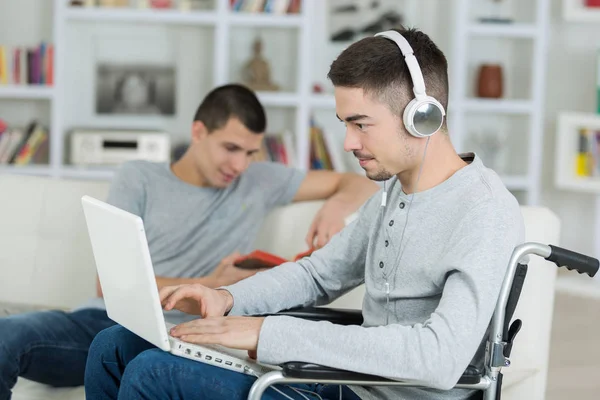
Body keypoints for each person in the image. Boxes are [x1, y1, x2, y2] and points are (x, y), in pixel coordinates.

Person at [84, 28, 525, 400]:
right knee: (113, 347)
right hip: (345, 382)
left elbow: (439, 357)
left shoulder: (484, 212)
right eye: (344, 124)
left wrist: (266, 335)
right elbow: (317, 276)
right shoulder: (395, 192)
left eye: (361, 123)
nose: (348, 143)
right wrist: (230, 299)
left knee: (154, 374)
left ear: (421, 116)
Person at [0, 83, 378, 400]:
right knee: (7, 336)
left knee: (145, 367)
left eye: (250, 153)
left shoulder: (259, 180)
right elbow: (108, 286)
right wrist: (212, 283)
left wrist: (336, 208)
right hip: (108, 321)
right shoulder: (140, 177)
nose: (240, 165)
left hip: (188, 335)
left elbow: (357, 180)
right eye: (230, 148)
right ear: (199, 132)